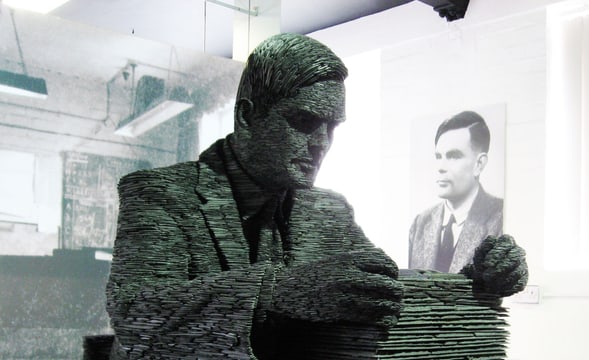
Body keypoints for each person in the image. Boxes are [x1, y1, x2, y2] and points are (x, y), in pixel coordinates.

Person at [105, 33, 404, 359]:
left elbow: (377, 289)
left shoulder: (330, 211)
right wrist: (274, 292)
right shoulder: (160, 194)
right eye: (304, 121)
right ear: (247, 116)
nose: (321, 144)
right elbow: (134, 314)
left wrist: (463, 284)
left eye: (331, 127)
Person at [408, 111, 503, 273]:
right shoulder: (420, 224)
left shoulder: (499, 219)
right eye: (438, 156)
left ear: (479, 164)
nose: (441, 167)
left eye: (453, 156)